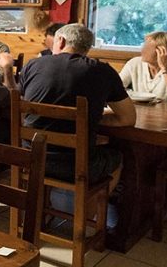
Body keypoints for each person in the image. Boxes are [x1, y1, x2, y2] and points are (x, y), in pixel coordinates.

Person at [19, 23, 136, 186]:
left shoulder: (32, 65)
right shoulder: (102, 71)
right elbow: (128, 119)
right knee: (118, 158)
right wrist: (89, 119)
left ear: (60, 41)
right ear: (87, 47)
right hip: (75, 165)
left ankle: (46, 200)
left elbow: (23, 108)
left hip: (31, 156)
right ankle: (92, 203)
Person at [118, 31, 167, 103]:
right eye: (144, 47)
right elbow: (116, 88)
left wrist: (165, 68)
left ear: (163, 51)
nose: (143, 51)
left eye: (148, 48)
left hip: (166, 111)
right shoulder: (134, 63)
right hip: (140, 109)